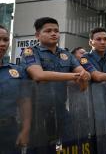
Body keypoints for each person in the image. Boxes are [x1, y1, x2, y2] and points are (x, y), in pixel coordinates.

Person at [20, 17, 90, 150]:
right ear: (37, 35)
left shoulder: (66, 54)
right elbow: (38, 75)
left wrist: (84, 77)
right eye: (48, 31)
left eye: (56, 31)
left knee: (71, 147)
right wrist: (76, 76)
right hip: (38, 114)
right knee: (41, 150)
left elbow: (83, 74)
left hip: (61, 111)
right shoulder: (30, 52)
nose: (54, 33)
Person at [0, 24, 31, 153]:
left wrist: (25, 130)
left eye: (6, 40)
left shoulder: (17, 71)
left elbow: (24, 102)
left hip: (9, 130)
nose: (2, 44)